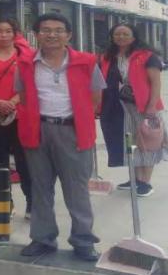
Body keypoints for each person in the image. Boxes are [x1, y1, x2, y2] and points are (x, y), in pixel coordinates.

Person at [14, 13, 105, 262]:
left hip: (72, 131)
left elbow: (96, 97)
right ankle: (42, 238)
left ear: (68, 35)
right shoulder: (25, 63)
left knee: (77, 190)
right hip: (38, 130)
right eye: (45, 30)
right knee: (40, 188)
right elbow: (23, 96)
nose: (51, 35)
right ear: (36, 34)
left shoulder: (86, 62)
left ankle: (83, 240)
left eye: (58, 30)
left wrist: (77, 120)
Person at [99, 23, 168, 197]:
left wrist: (151, 106)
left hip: (143, 107)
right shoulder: (108, 57)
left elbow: (155, 83)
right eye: (117, 34)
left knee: (148, 143)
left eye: (125, 34)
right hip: (120, 108)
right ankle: (135, 179)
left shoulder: (147, 56)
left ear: (134, 37)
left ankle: (145, 183)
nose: (121, 37)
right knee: (132, 144)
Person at [0, 18, 33, 219]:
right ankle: (4, 204)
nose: (3, 35)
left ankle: (32, 203)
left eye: (8, 31)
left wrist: (12, 101)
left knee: (25, 162)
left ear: (15, 33)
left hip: (21, 116)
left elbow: (31, 82)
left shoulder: (26, 55)